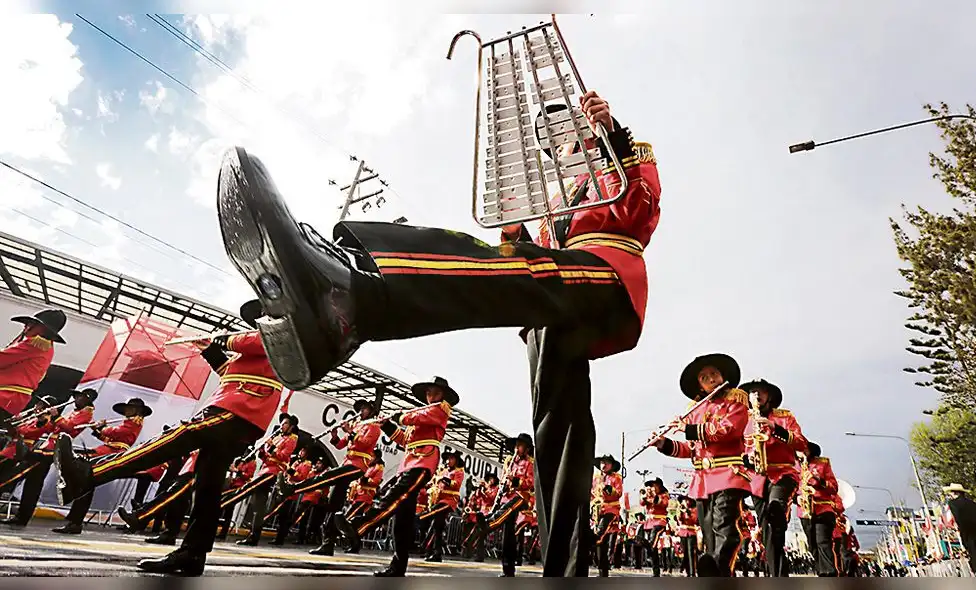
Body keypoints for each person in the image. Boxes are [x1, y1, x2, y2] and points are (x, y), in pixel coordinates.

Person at [214, 88, 660, 577]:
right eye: (547, 133)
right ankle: (563, 569)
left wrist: (613, 135)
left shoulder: (616, 156)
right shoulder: (551, 195)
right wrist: (515, 233)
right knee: (558, 427)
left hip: (603, 271)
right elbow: (527, 248)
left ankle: (353, 292)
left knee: (486, 270)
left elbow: (643, 206)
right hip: (552, 305)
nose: (554, 137)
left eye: (561, 127)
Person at [51, 301, 286, 575]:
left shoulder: (281, 335)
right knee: (206, 487)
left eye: (265, 315)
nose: (260, 320)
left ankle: (88, 474)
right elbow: (229, 372)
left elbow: (253, 342)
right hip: (233, 404)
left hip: (243, 408)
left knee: (181, 435)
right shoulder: (258, 350)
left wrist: (219, 339)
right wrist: (209, 350)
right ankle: (192, 554)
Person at [335, 377, 459, 576]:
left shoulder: (440, 410)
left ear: (443, 395)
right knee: (402, 518)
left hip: (423, 462)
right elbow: (403, 440)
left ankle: (359, 526)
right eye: (428, 392)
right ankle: (398, 566)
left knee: (394, 495)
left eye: (435, 392)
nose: (431, 395)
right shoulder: (420, 415)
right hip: (409, 462)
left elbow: (413, 417)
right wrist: (386, 425)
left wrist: (398, 416)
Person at [653, 353, 753, 576]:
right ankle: (719, 573)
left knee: (724, 525)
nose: (710, 379)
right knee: (708, 532)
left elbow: (727, 430)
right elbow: (691, 449)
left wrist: (688, 428)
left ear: (722, 376)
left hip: (728, 473)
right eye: (704, 377)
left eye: (714, 374)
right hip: (702, 480)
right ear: (699, 384)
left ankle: (718, 567)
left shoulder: (735, 402)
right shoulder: (696, 410)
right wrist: (664, 443)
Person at [286, 399, 381, 556]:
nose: (362, 411)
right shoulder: (357, 424)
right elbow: (340, 445)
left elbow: (364, 443)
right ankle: (329, 543)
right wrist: (335, 434)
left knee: (328, 475)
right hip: (347, 463)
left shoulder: (374, 426)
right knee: (333, 505)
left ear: (371, 411)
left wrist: (350, 432)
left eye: (365, 408)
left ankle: (295, 488)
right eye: (361, 408)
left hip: (358, 466)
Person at [53, 397, 152, 535]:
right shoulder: (127, 422)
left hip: (115, 453)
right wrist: (97, 430)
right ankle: (75, 521)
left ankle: (75, 521)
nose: (127, 410)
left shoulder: (134, 422)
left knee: (84, 476)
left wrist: (102, 427)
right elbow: (107, 438)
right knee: (86, 483)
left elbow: (116, 432)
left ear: (136, 410)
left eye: (130, 408)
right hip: (108, 450)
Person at [0, 389, 98, 527]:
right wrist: (43, 420)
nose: (76, 399)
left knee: (18, 474)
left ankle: (21, 516)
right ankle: (22, 517)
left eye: (80, 397)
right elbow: (53, 427)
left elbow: (69, 428)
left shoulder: (86, 414)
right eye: (76, 396)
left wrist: (56, 417)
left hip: (52, 450)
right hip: (46, 446)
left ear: (87, 399)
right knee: (32, 484)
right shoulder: (75, 412)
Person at [741, 379, 806, 577]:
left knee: (775, 509)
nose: (756, 395)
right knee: (768, 531)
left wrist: (774, 428)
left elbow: (801, 442)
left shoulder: (785, 417)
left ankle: (778, 510)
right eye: (752, 392)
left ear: (769, 395)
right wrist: (747, 458)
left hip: (783, 474)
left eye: (761, 391)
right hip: (758, 478)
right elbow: (738, 450)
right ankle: (777, 575)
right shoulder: (744, 420)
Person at [232, 413, 299, 546]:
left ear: (291, 427)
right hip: (264, 469)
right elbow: (266, 457)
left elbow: (283, 456)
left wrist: (272, 447)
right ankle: (253, 536)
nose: (282, 426)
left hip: (274, 472)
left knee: (247, 490)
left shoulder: (292, 439)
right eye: (282, 423)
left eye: (285, 423)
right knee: (258, 505)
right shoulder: (277, 437)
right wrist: (262, 450)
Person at [473, 433, 535, 577]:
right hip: (508, 497)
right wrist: (504, 485)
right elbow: (503, 479)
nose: (517, 448)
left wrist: (514, 481)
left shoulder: (530, 463)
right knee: (508, 536)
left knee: (505, 512)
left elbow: (530, 483)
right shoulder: (509, 461)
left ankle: (488, 523)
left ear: (526, 449)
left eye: (520, 445)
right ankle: (508, 570)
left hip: (521, 497)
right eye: (516, 445)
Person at [119, 451, 200, 546]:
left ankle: (140, 517)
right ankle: (169, 534)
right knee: (178, 500)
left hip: (200, 465)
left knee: (172, 494)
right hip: (194, 463)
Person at [0, 309, 66, 423]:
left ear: (42, 328)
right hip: (12, 398)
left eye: (31, 324)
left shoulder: (35, 344)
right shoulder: (46, 347)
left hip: (7, 394)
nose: (26, 326)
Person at [800, 441, 840, 576]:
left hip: (823, 508)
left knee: (822, 542)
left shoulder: (823, 464)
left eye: (804, 449)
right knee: (812, 545)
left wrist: (818, 480)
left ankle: (829, 574)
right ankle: (821, 572)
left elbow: (834, 487)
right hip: (805, 511)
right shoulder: (795, 466)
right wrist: (796, 498)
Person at [421, 450, 465, 562]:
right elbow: (435, 483)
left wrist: (444, 479)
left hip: (449, 501)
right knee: (437, 526)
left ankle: (428, 548)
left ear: (456, 460)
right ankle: (434, 552)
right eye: (447, 459)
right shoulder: (443, 471)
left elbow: (456, 485)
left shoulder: (459, 472)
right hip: (439, 500)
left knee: (428, 517)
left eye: (451, 459)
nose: (448, 461)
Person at [592, 454, 622, 577]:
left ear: (612, 465)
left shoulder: (616, 478)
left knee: (598, 535)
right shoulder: (596, 478)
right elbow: (592, 493)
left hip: (611, 510)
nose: (603, 465)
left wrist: (608, 489)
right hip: (597, 511)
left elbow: (618, 493)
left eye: (606, 463)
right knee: (601, 542)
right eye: (602, 463)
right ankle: (602, 572)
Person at [638, 478, 669, 577]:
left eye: (653, 485)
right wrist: (644, 495)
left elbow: (663, 503)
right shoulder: (648, 496)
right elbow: (642, 503)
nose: (651, 488)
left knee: (652, 541)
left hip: (660, 522)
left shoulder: (664, 495)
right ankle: (656, 572)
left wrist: (654, 495)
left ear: (658, 486)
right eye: (649, 486)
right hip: (649, 523)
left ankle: (646, 544)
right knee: (653, 548)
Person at [675, 495, 699, 576]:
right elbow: (679, 520)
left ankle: (692, 573)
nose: (684, 502)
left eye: (686, 500)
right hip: (683, 533)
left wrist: (687, 511)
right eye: (683, 501)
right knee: (685, 553)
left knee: (691, 553)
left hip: (691, 533)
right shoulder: (680, 510)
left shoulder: (694, 510)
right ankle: (688, 571)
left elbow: (694, 520)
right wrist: (681, 511)